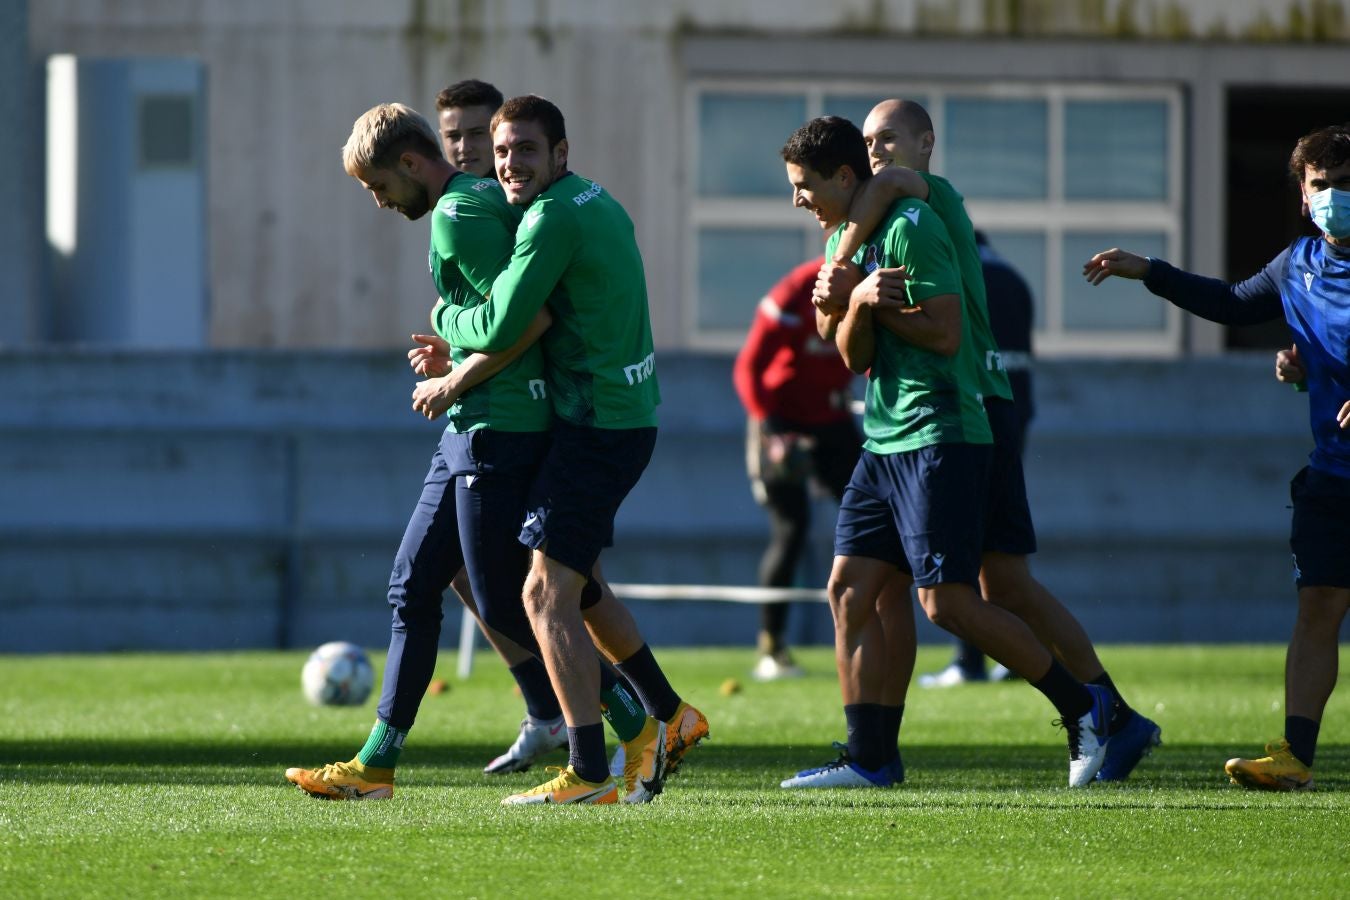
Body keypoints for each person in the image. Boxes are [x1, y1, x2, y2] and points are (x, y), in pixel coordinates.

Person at [285, 102, 659, 804]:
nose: (379, 201)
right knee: (413, 585)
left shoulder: (460, 213)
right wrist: (457, 359)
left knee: (515, 604)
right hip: (470, 423)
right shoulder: (482, 200)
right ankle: (376, 763)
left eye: (378, 186)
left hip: (499, 425)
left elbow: (527, 319)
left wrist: (448, 336)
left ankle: (639, 723)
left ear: (409, 163)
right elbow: (511, 315)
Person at [801, 99, 1159, 785]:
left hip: (964, 410)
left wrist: (850, 276)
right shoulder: (865, 220)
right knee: (980, 585)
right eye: (868, 141)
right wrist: (850, 293)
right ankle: (1108, 716)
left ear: (927, 143)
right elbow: (836, 334)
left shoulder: (926, 200)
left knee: (953, 597)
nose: (878, 152)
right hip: (920, 420)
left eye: (889, 138)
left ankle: (1097, 710)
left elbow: (936, 320)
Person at [440, 94, 708, 805]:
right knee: (580, 584)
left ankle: (589, 771)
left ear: (561, 153)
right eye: (502, 151)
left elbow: (504, 322)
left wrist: (445, 317)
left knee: (541, 593)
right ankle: (670, 713)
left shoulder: (551, 217)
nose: (509, 163)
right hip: (619, 416)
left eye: (525, 149)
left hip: (598, 426)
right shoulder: (595, 198)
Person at [1083, 122, 1350, 791]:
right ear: (1303, 195)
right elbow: (1231, 303)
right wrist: (1151, 271)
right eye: (1323, 185)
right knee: (1318, 605)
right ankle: (1295, 758)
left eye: (1347, 185)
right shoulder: (1297, 265)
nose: (1334, 197)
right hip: (1335, 473)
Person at [732, 257, 862, 682]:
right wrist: (770, 428)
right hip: (781, 420)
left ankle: (872, 635)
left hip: (833, 419)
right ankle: (772, 646)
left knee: (871, 521)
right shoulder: (795, 290)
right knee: (791, 529)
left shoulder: (873, 278)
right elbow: (749, 366)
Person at [919, 230, 1034, 687]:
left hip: (972, 419)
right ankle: (1016, 654)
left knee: (967, 545)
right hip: (1014, 415)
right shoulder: (1016, 280)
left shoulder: (964, 276)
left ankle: (970, 660)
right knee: (1001, 551)